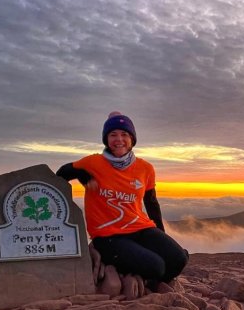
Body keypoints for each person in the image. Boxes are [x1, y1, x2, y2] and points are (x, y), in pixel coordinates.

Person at [56, 111, 188, 290]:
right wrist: (84, 176)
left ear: (132, 139)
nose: (119, 139)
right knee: (157, 266)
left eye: (124, 134)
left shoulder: (145, 168)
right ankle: (126, 268)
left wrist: (162, 236)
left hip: (140, 227)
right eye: (113, 135)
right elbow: (62, 173)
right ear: (106, 140)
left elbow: (151, 203)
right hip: (108, 235)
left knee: (178, 259)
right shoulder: (93, 162)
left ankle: (146, 274)